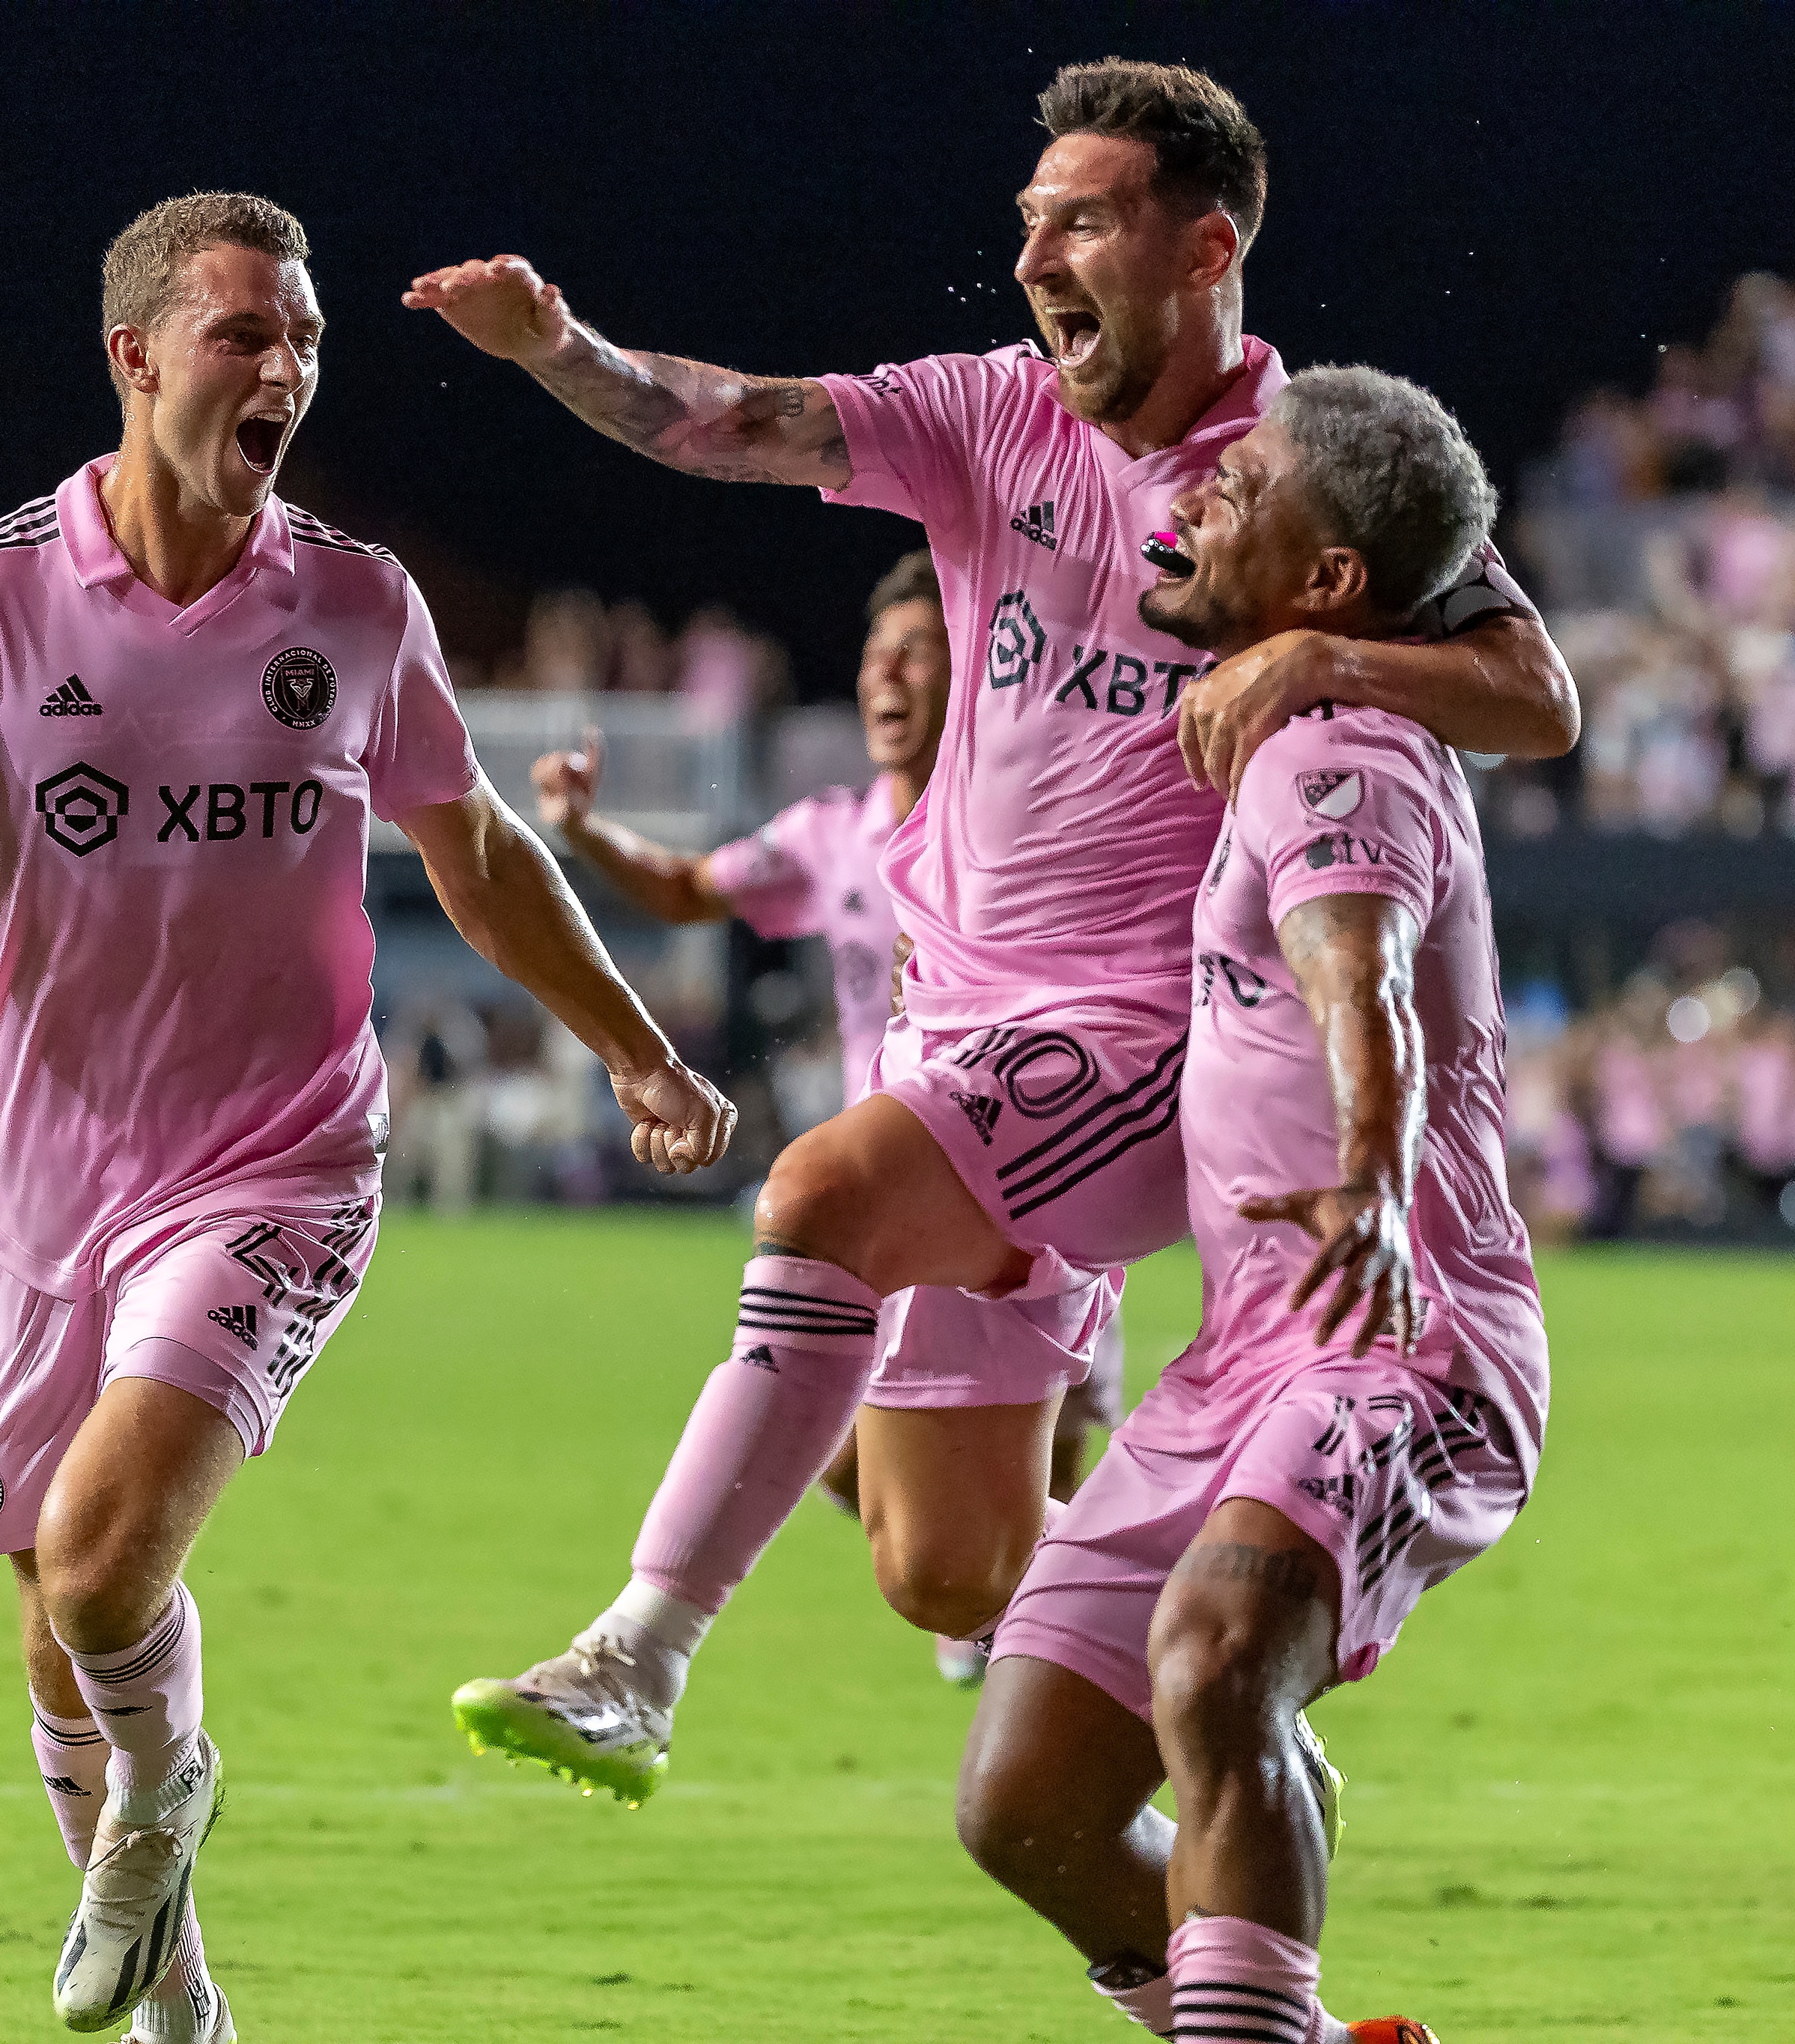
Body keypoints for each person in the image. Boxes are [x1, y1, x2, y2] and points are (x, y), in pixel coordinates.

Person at [0, 191, 735, 2043]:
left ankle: (170, 1785)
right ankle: (184, 2010)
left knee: (105, 1561)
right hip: (43, 1187)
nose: (288, 368)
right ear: (136, 357)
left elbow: (477, 853)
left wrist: (636, 1048)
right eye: (248, 332)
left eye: (308, 339)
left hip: (282, 1160)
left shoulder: (355, 601)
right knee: (50, 1617)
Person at [411, 58, 1573, 1806]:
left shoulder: (1292, 469)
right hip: (953, 1028)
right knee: (942, 1566)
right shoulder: (990, 416)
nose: (1039, 252)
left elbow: (1535, 695)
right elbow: (731, 416)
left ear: (1205, 247)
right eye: (1029, 220)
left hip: (1130, 1039)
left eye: (1084, 219)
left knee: (813, 1196)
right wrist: (560, 354)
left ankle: (634, 1661)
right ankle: (1228, 1727)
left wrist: (1324, 653)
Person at [959, 366, 1547, 2044]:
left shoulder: (1336, 741)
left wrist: (1371, 1166)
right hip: (1243, 1354)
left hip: (1395, 1335)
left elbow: (1354, 966)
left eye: (1251, 481)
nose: (1203, 490)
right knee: (1027, 1805)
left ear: (1333, 586)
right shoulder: (1278, 716)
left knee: (1218, 1665)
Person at [526, 550, 1125, 1687]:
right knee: (858, 1468)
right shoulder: (831, 833)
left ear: (982, 676)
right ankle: (1070, 1617)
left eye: (920, 652)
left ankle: (1113, 1632)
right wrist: (588, 833)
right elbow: (692, 887)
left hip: (1005, 1189)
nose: (888, 676)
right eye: (876, 653)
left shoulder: (1025, 832)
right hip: (874, 1193)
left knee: (1023, 1461)